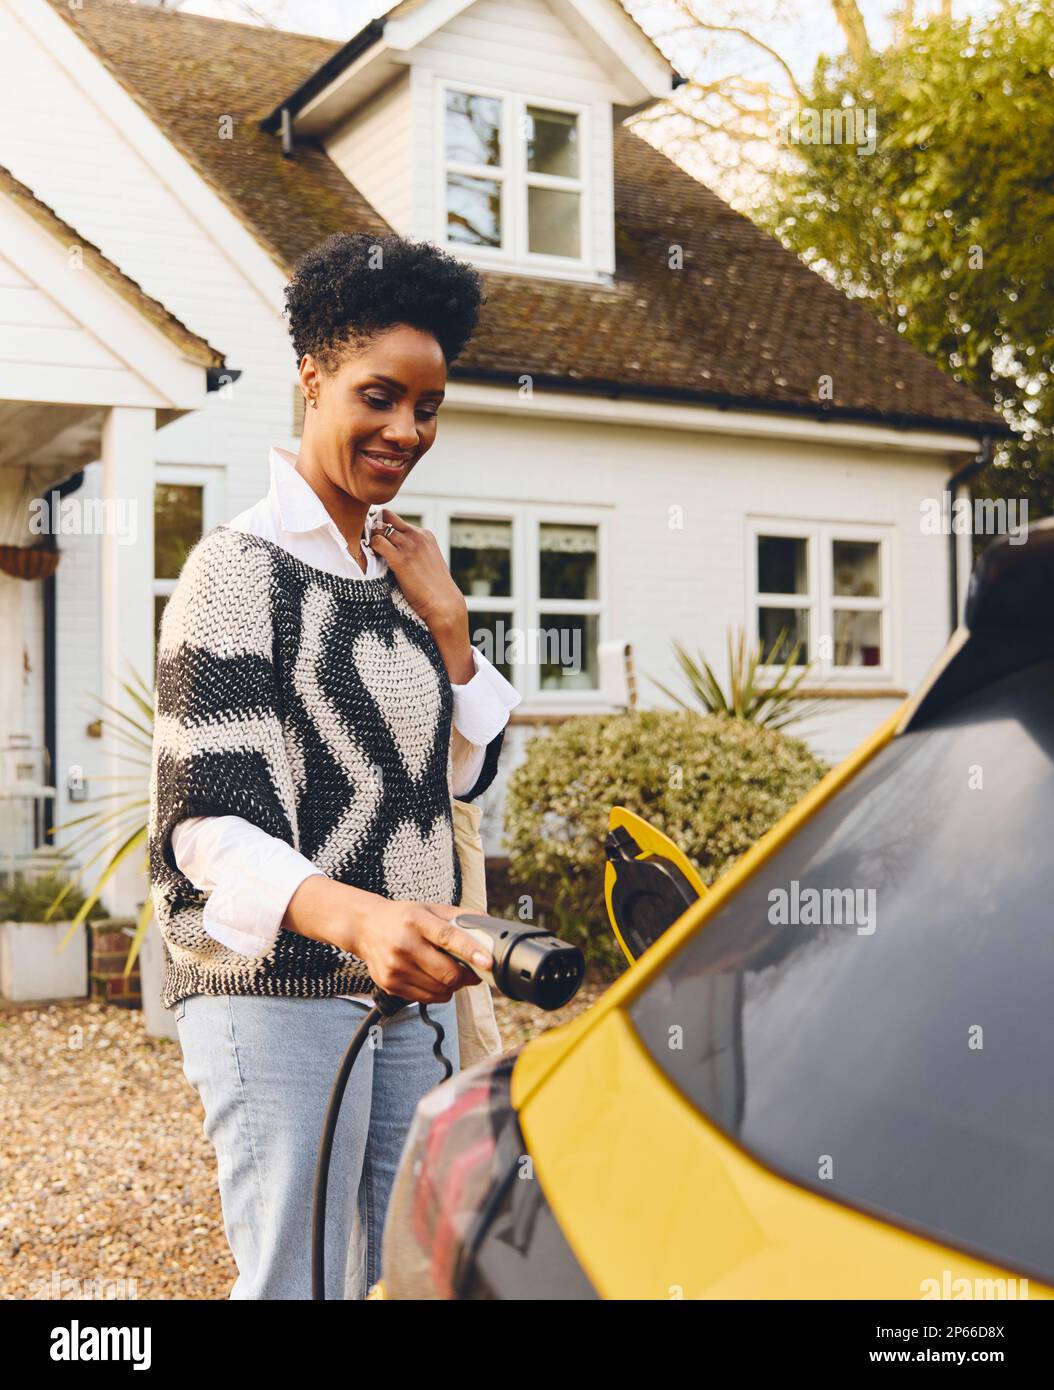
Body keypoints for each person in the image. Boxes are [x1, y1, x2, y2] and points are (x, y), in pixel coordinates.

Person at [148, 232, 521, 1300]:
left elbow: (454, 787)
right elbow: (205, 824)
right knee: (297, 1282)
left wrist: (449, 627)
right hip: (278, 993)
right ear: (311, 379)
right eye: (378, 396)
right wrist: (354, 917)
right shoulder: (237, 568)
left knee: (413, 1275)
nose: (406, 430)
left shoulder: (403, 572)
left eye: (428, 406)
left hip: (413, 998)